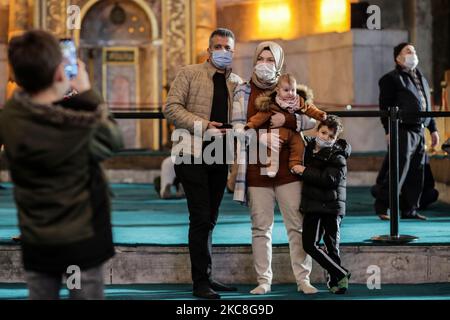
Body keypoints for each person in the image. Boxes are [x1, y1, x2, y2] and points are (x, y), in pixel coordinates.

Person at [0, 30, 123, 299]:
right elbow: (113, 138)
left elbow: (40, 108)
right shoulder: (79, 128)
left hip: (37, 239)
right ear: (59, 73)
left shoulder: (10, 117)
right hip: (81, 242)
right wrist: (88, 93)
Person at [232, 41, 318, 295]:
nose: (265, 64)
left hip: (289, 172)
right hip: (257, 172)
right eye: (262, 58)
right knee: (261, 228)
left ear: (279, 64)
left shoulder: (292, 89)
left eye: (271, 60)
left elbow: (312, 118)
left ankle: (303, 279)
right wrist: (254, 136)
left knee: (296, 226)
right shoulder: (242, 91)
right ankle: (264, 281)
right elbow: (237, 127)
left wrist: (288, 119)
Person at [163, 28, 242, 299]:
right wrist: (203, 126)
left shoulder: (238, 83)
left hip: (220, 155)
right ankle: (200, 283)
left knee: (211, 219)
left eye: (227, 47)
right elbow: (171, 107)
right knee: (200, 217)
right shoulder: (189, 73)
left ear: (233, 51)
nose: (222, 51)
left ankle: (207, 276)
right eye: (217, 46)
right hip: (191, 153)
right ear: (209, 50)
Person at [374, 43, 440, 220]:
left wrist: (433, 129)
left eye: (414, 51)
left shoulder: (421, 78)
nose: (413, 54)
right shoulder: (390, 79)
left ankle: (410, 208)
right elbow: (385, 107)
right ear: (398, 58)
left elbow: (427, 105)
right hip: (402, 129)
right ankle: (382, 206)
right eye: (408, 52)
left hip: (419, 130)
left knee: (417, 171)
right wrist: (388, 130)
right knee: (398, 170)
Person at [292, 116, 351, 294]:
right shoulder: (309, 147)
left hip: (332, 206)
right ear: (318, 131)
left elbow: (330, 179)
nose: (325, 138)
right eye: (323, 132)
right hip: (313, 204)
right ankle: (341, 273)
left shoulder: (337, 155)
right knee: (310, 244)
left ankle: (337, 283)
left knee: (332, 245)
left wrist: (304, 171)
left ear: (335, 138)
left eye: (331, 136)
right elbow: (300, 129)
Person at [244, 73, 326, 176]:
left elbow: (310, 109)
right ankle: (272, 165)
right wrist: (251, 125)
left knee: (299, 145)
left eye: (293, 90)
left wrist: (319, 114)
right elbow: (261, 116)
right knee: (274, 145)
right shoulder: (273, 103)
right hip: (279, 131)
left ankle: (295, 165)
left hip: (295, 132)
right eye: (286, 90)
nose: (290, 93)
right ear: (278, 90)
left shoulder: (299, 102)